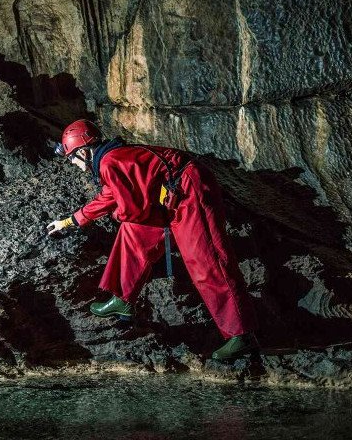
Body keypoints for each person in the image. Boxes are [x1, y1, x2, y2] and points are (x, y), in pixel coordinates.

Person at [46, 119, 259, 360]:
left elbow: (131, 210)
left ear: (84, 151)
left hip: (189, 192)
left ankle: (241, 334)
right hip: (170, 196)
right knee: (132, 233)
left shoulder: (109, 163)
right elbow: (108, 197)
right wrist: (70, 221)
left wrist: (117, 214)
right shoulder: (110, 159)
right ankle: (122, 300)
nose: (73, 163)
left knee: (206, 260)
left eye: (72, 157)